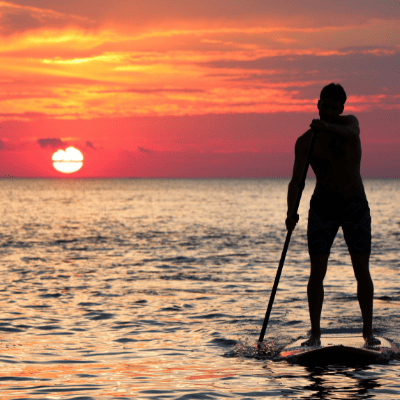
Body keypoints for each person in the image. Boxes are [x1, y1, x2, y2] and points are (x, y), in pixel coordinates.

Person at [286, 83, 380, 347]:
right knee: (317, 271)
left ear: (341, 109)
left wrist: (325, 127)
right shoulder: (306, 142)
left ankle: (368, 334)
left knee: (362, 270)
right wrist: (290, 212)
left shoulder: (350, 124)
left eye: (332, 107)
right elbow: (296, 182)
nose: (327, 111)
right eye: (323, 106)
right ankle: (315, 334)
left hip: (354, 206)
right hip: (323, 207)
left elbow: (352, 134)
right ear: (317, 105)